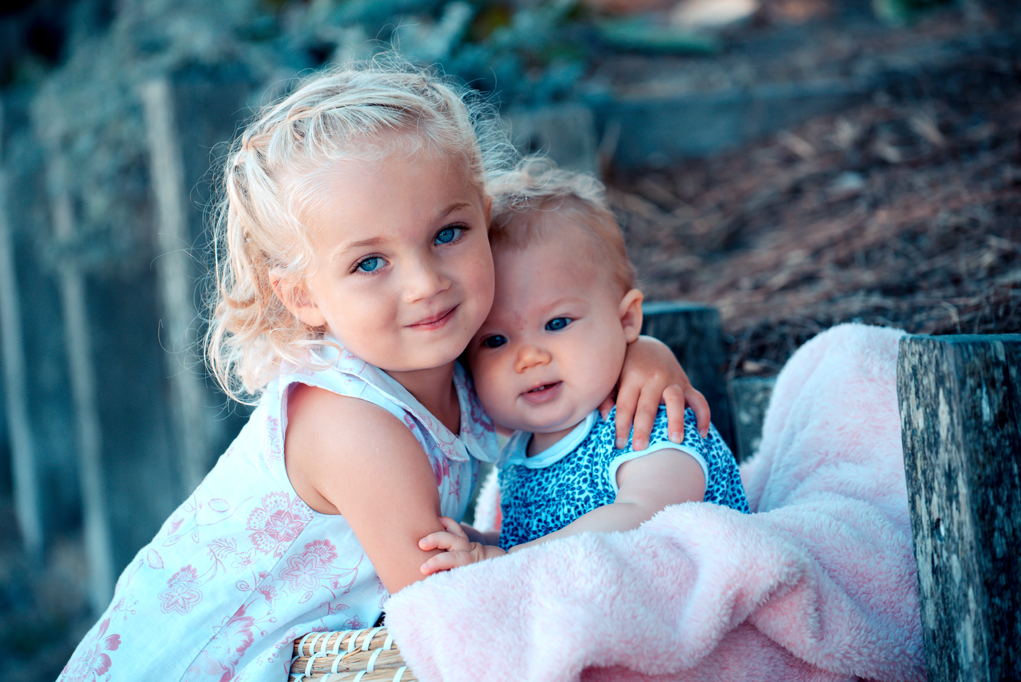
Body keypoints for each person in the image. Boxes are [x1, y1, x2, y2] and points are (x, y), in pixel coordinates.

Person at [59, 61, 707, 682]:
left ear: (482, 216)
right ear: (304, 297)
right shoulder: (353, 424)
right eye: (370, 264)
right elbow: (449, 603)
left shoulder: (441, 352)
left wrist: (642, 353)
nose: (426, 283)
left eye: (448, 233)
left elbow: (567, 335)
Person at [420, 162, 749, 573]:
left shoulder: (644, 417)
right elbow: (530, 541)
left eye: (556, 323)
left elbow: (646, 516)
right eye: (495, 341)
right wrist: (477, 545)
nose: (529, 357)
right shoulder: (518, 451)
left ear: (626, 320)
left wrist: (507, 561)